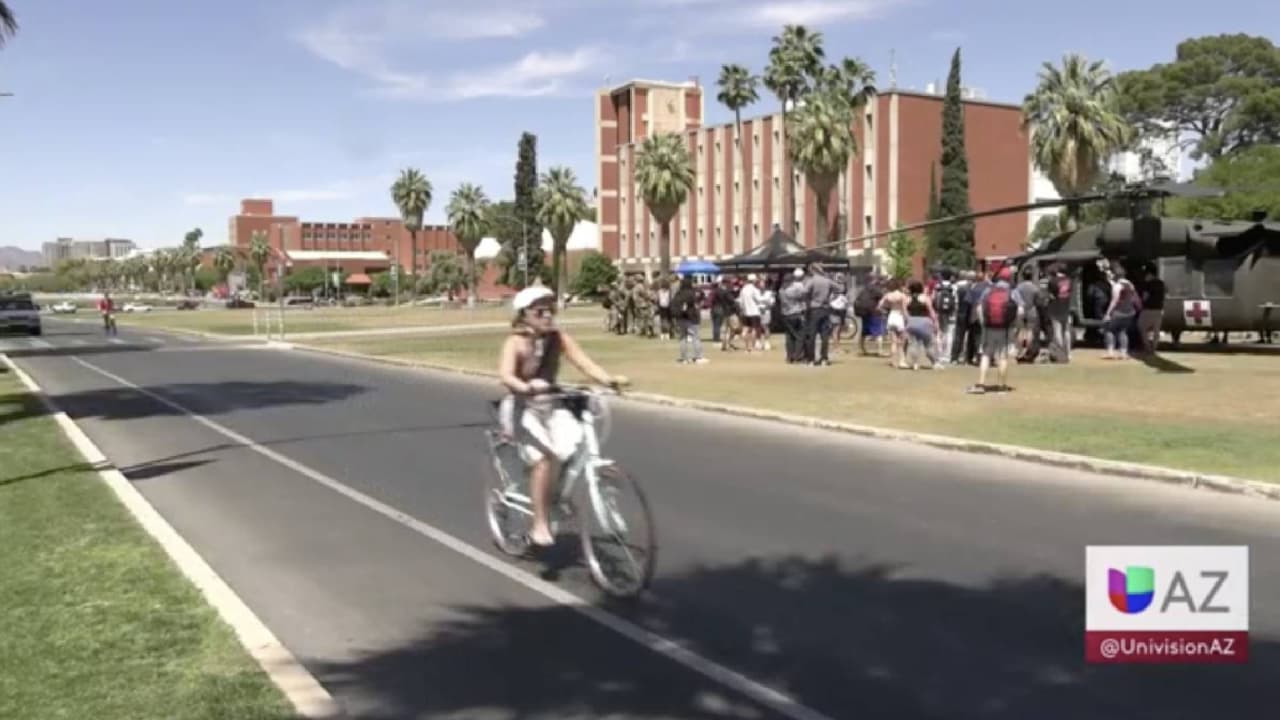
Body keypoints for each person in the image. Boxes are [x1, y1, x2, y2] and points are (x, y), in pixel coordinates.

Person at [498, 286, 628, 547]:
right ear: (524, 315)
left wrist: (608, 379)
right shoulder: (515, 342)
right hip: (522, 409)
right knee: (544, 459)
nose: (547, 315)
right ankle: (539, 524)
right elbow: (505, 375)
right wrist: (524, 387)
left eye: (551, 309)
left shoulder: (559, 338)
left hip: (553, 405)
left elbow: (583, 362)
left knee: (573, 444)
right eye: (540, 310)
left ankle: (555, 495)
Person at [968, 267, 1023, 394]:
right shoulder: (1013, 292)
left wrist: (983, 324)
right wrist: (1015, 325)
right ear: (1009, 278)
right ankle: (1001, 386)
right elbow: (1020, 311)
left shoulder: (988, 290)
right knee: (1003, 357)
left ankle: (981, 384)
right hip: (1005, 329)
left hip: (989, 327)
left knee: (986, 355)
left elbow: (979, 308)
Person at [904, 280, 943, 370]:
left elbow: (905, 313)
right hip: (924, 322)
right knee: (929, 344)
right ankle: (935, 363)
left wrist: (907, 322)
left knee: (913, 344)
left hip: (912, 321)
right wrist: (936, 323)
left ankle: (915, 363)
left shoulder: (907, 299)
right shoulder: (925, 298)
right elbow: (931, 311)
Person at [1104, 267, 1140, 360]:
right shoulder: (1130, 284)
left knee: (1109, 330)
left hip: (1119, 311)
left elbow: (1114, 301)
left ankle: (1110, 352)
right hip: (1130, 311)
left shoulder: (1117, 286)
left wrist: (1108, 313)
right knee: (1123, 332)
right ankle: (1123, 352)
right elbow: (1134, 298)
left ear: (1116, 275)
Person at [804, 263, 835, 366]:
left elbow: (804, 292)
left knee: (811, 335)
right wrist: (829, 295)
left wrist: (810, 298)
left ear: (813, 270)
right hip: (825, 308)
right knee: (824, 335)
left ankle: (811, 359)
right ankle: (824, 358)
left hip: (814, 309)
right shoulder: (827, 280)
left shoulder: (812, 280)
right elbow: (839, 288)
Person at [673, 275, 708, 364]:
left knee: (682, 338)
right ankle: (698, 357)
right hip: (691, 318)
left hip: (680, 318)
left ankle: (683, 357)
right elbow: (696, 303)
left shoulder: (678, 293)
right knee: (695, 337)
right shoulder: (691, 293)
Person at [878, 279, 909, 369]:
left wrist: (884, 312)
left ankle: (893, 361)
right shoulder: (902, 295)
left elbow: (879, 306)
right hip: (899, 317)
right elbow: (904, 309)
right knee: (901, 342)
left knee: (893, 342)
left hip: (891, 317)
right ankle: (902, 361)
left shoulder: (888, 295)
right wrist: (907, 319)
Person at [780, 268, 809, 363]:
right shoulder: (795, 288)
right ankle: (797, 356)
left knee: (789, 336)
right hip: (796, 313)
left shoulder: (781, 290)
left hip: (786, 314)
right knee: (800, 336)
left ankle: (789, 356)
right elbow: (803, 296)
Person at [1138, 265, 1165, 354]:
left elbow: (1145, 297)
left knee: (1142, 328)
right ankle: (1154, 348)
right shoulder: (1161, 283)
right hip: (1159, 309)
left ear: (1149, 274)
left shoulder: (1148, 284)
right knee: (1156, 330)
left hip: (1148, 309)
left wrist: (1141, 304)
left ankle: (1148, 348)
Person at [738, 274, 764, 352]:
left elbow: (741, 302)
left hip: (746, 312)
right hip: (754, 312)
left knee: (745, 329)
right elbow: (759, 299)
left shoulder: (743, 289)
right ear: (754, 281)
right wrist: (768, 298)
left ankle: (746, 347)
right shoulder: (754, 289)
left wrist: (742, 310)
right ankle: (752, 346)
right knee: (754, 329)